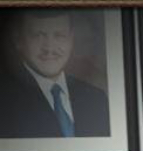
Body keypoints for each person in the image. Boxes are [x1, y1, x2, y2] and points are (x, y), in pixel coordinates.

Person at [0, 10, 110, 139]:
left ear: (71, 40)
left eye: (59, 35)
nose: (49, 48)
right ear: (19, 40)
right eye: (38, 35)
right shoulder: (4, 102)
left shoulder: (96, 98)